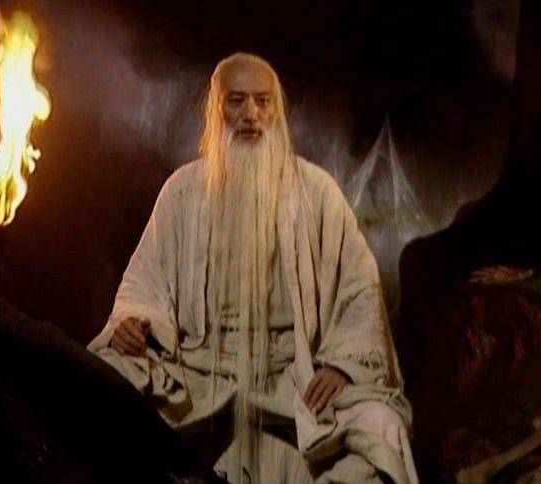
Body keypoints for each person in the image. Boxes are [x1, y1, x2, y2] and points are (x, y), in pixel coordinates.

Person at [89, 52, 418, 483]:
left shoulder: (317, 193)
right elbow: (144, 284)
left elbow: (359, 290)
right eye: (237, 101)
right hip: (200, 374)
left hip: (293, 381)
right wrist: (133, 324)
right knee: (105, 380)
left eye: (263, 102)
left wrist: (341, 365)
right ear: (216, 109)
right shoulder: (182, 193)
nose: (251, 115)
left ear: (277, 110)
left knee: (382, 428)